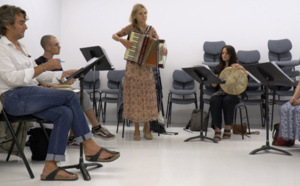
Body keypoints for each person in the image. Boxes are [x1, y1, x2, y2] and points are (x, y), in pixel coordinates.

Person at [0, 5, 119, 181]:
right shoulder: (2, 47)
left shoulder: (21, 47)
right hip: (12, 98)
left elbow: (36, 74)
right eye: (21, 23)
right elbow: (12, 79)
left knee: (65, 112)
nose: (26, 26)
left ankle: (50, 167)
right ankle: (89, 145)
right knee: (71, 96)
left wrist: (61, 74)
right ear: (7, 25)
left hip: (27, 94)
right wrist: (43, 67)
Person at [35, 35, 115, 142]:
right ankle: (95, 127)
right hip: (48, 95)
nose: (60, 47)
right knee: (81, 96)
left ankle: (74, 136)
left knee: (79, 97)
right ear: (47, 47)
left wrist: (68, 81)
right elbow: (41, 82)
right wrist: (61, 84)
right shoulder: (38, 62)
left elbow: (59, 81)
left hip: (57, 92)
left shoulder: (56, 62)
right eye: (56, 44)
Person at [112, 3, 167, 140]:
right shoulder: (131, 28)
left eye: (145, 13)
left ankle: (146, 127)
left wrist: (164, 51)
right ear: (135, 16)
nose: (144, 16)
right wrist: (122, 41)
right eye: (141, 13)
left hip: (146, 69)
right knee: (135, 98)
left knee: (147, 98)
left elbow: (159, 45)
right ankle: (136, 128)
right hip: (133, 67)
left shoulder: (151, 29)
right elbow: (114, 35)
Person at [209, 45, 248, 141]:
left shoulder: (237, 66)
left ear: (231, 54)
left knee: (228, 100)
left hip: (234, 93)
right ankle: (217, 129)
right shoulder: (218, 68)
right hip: (221, 92)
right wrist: (214, 80)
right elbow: (214, 86)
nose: (224, 55)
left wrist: (241, 68)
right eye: (222, 53)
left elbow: (246, 78)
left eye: (226, 53)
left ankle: (227, 127)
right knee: (214, 100)